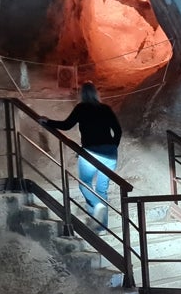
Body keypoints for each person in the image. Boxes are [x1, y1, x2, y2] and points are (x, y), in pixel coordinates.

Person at [39, 82, 122, 228]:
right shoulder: (105, 108)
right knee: (102, 189)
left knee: (85, 184)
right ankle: (101, 226)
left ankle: (96, 208)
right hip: (110, 154)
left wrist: (48, 122)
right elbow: (118, 131)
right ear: (96, 94)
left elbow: (66, 125)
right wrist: (111, 147)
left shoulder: (81, 108)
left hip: (91, 152)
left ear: (82, 95)